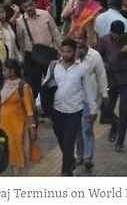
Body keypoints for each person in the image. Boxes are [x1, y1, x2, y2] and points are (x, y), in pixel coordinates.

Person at [43, 37, 97, 177]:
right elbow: (45, 85)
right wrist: (38, 102)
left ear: (75, 52)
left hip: (74, 111)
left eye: (69, 52)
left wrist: (93, 108)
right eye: (64, 51)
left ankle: (66, 172)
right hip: (57, 110)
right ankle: (70, 161)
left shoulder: (81, 70)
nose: (66, 54)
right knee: (62, 141)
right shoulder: (53, 67)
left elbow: (88, 91)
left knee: (68, 141)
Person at [96, 20, 127, 152]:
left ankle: (120, 141)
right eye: (116, 35)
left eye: (120, 35)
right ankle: (114, 124)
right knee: (106, 108)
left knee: (125, 110)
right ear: (111, 32)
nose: (118, 38)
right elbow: (98, 56)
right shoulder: (104, 40)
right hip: (110, 79)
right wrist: (102, 64)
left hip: (126, 79)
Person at [72, 28, 108, 172]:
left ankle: (88, 157)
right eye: (75, 38)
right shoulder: (69, 56)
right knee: (77, 129)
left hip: (89, 99)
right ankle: (79, 154)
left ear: (85, 39)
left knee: (86, 128)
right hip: (74, 100)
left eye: (80, 38)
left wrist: (104, 95)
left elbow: (101, 75)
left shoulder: (94, 56)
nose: (77, 41)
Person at [0, 59, 40, 176]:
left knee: (21, 158)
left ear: (13, 71)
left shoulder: (23, 87)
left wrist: (32, 128)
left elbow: (30, 110)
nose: (3, 73)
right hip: (4, 127)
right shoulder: (3, 84)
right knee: (8, 156)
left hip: (19, 128)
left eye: (5, 70)